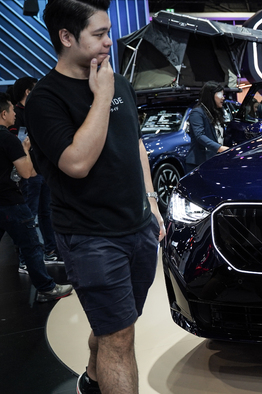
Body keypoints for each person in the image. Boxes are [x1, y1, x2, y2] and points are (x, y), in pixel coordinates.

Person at [25, 1, 165, 393]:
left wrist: (151, 201)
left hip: (137, 227)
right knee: (120, 338)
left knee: (117, 326)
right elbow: (77, 163)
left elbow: (135, 144)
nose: (109, 42)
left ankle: (92, 377)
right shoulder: (45, 100)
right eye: (99, 34)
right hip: (90, 237)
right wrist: (100, 96)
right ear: (66, 37)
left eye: (108, 32)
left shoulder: (117, 82)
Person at [0, 92, 73, 301]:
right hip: (11, 202)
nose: (15, 114)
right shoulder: (8, 139)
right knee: (31, 245)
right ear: (4, 114)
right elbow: (27, 173)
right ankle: (45, 288)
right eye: (12, 111)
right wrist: (24, 149)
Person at [10, 76, 62, 266]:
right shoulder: (17, 113)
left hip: (43, 170)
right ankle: (26, 260)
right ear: (27, 91)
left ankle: (50, 250)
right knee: (30, 216)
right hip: (28, 173)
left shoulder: (36, 111)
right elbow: (17, 144)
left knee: (46, 212)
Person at [186, 81, 229, 171]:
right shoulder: (197, 112)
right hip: (199, 162)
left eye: (223, 95)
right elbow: (200, 136)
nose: (223, 98)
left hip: (214, 160)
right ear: (211, 95)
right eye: (220, 94)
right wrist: (219, 148)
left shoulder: (216, 112)